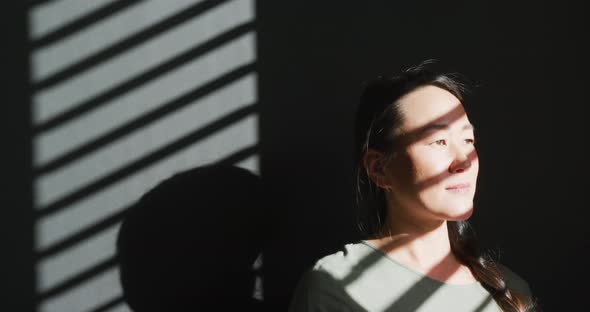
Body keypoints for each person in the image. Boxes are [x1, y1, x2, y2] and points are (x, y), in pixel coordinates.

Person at [288, 61, 537, 311]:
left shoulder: (509, 291)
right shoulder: (335, 286)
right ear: (379, 168)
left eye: (468, 140)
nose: (463, 161)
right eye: (438, 141)